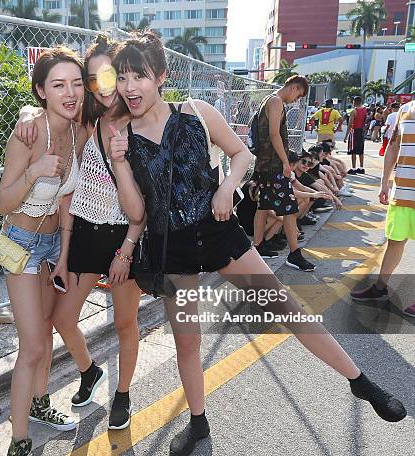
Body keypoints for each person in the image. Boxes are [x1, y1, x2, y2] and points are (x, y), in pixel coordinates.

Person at [109, 30, 406, 456]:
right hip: (169, 245)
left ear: (160, 76)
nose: (129, 86)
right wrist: (119, 164)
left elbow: (242, 155)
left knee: (284, 304)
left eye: (138, 75)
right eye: (122, 77)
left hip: (218, 230)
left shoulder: (196, 112)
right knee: (187, 340)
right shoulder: (121, 135)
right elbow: (136, 212)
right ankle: (198, 423)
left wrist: (228, 186)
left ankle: (360, 382)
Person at [13, 35, 144, 430]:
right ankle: (89, 371)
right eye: (92, 78)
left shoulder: (141, 122)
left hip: (126, 238)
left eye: (110, 74)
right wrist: (25, 116)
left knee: (125, 323)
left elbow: (147, 203)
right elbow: (46, 115)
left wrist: (126, 251)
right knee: (63, 318)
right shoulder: (87, 121)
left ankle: (122, 395)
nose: (102, 85)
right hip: (86, 233)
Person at [0, 47, 87, 456]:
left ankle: (39, 404)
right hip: (21, 245)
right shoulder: (27, 134)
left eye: (77, 83)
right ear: (41, 91)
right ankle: (19, 441)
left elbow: (67, 202)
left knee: (47, 333)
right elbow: (3, 203)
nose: (70, 93)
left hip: (53, 244)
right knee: (31, 346)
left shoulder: (78, 130)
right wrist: (33, 172)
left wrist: (65, 255)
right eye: (59, 85)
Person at [350, 100, 415, 317]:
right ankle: (380, 288)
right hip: (403, 190)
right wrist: (384, 182)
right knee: (395, 241)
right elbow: (394, 146)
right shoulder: (405, 110)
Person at [251, 74, 316, 269]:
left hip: (263, 164)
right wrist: (286, 163)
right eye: (299, 96)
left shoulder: (267, 99)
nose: (296, 100)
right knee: (290, 209)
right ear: (294, 88)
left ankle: (258, 245)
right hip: (274, 166)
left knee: (263, 206)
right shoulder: (276, 101)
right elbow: (273, 134)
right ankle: (294, 254)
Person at [343, 96, 367, 174]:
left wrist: (346, 136)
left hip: (354, 131)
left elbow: (350, 124)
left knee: (353, 150)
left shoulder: (354, 111)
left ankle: (353, 168)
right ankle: (361, 167)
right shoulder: (364, 110)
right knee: (360, 150)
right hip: (361, 131)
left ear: (355, 102)